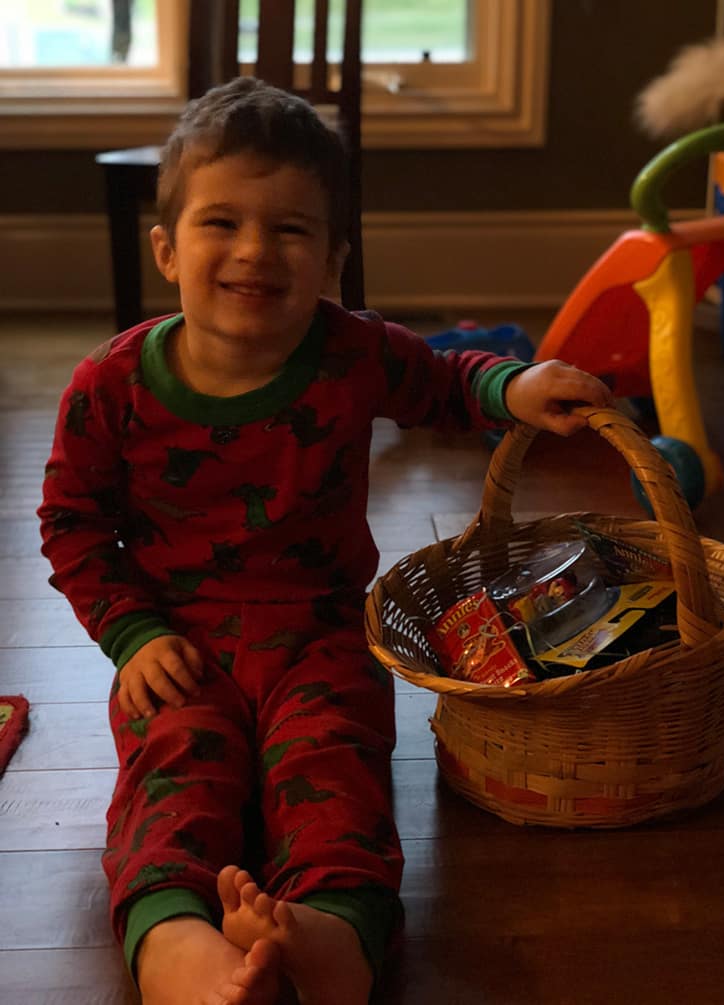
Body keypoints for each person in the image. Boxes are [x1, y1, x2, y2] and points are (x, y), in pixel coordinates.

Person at [38, 76, 612, 1005]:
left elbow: (443, 382)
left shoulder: (353, 352)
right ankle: (177, 947)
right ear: (166, 249)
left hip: (322, 636)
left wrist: (516, 385)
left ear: (334, 257)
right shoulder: (109, 386)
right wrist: (131, 634)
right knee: (174, 770)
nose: (254, 251)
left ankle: (334, 931)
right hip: (178, 645)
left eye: (291, 229)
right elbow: (71, 523)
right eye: (221, 222)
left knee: (335, 767)